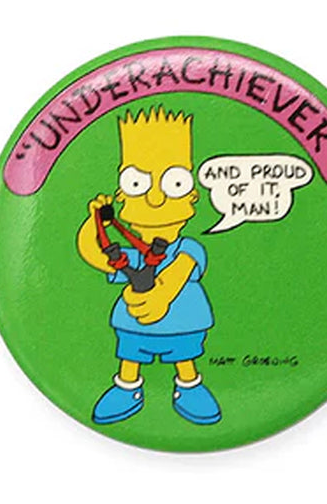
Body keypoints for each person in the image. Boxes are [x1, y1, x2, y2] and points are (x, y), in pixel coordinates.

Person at [77, 107, 221, 425]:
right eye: (137, 184)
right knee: (130, 356)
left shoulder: (188, 249)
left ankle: (189, 387)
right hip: (134, 326)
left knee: (185, 356)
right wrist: (94, 223)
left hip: (184, 324)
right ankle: (127, 389)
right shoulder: (133, 255)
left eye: (175, 184)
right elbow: (94, 255)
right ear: (122, 196)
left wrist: (161, 297)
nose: (155, 198)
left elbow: (179, 272)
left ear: (192, 196)